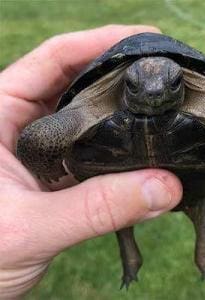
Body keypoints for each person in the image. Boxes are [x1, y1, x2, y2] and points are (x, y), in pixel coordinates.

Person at [0, 25, 182, 298]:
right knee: (122, 215)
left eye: (173, 85)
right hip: (115, 159)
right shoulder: (95, 99)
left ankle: (203, 255)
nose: (154, 94)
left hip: (193, 168)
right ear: (125, 83)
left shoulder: (199, 88)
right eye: (134, 87)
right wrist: (45, 168)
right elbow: (39, 136)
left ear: (182, 80)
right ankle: (131, 258)